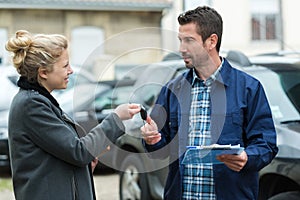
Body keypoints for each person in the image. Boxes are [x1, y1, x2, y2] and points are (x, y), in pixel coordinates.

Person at [141, 6, 278, 200]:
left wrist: (247, 157)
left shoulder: (249, 88)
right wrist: (151, 139)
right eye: (181, 40)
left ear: (211, 41)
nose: (182, 48)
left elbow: (266, 144)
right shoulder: (172, 90)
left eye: (189, 40)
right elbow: (159, 150)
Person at [6, 30, 141, 200]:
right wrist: (116, 118)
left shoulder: (40, 100)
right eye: (65, 66)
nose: (71, 70)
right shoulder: (31, 105)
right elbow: (79, 152)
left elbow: (63, 156)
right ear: (43, 72)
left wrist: (83, 168)